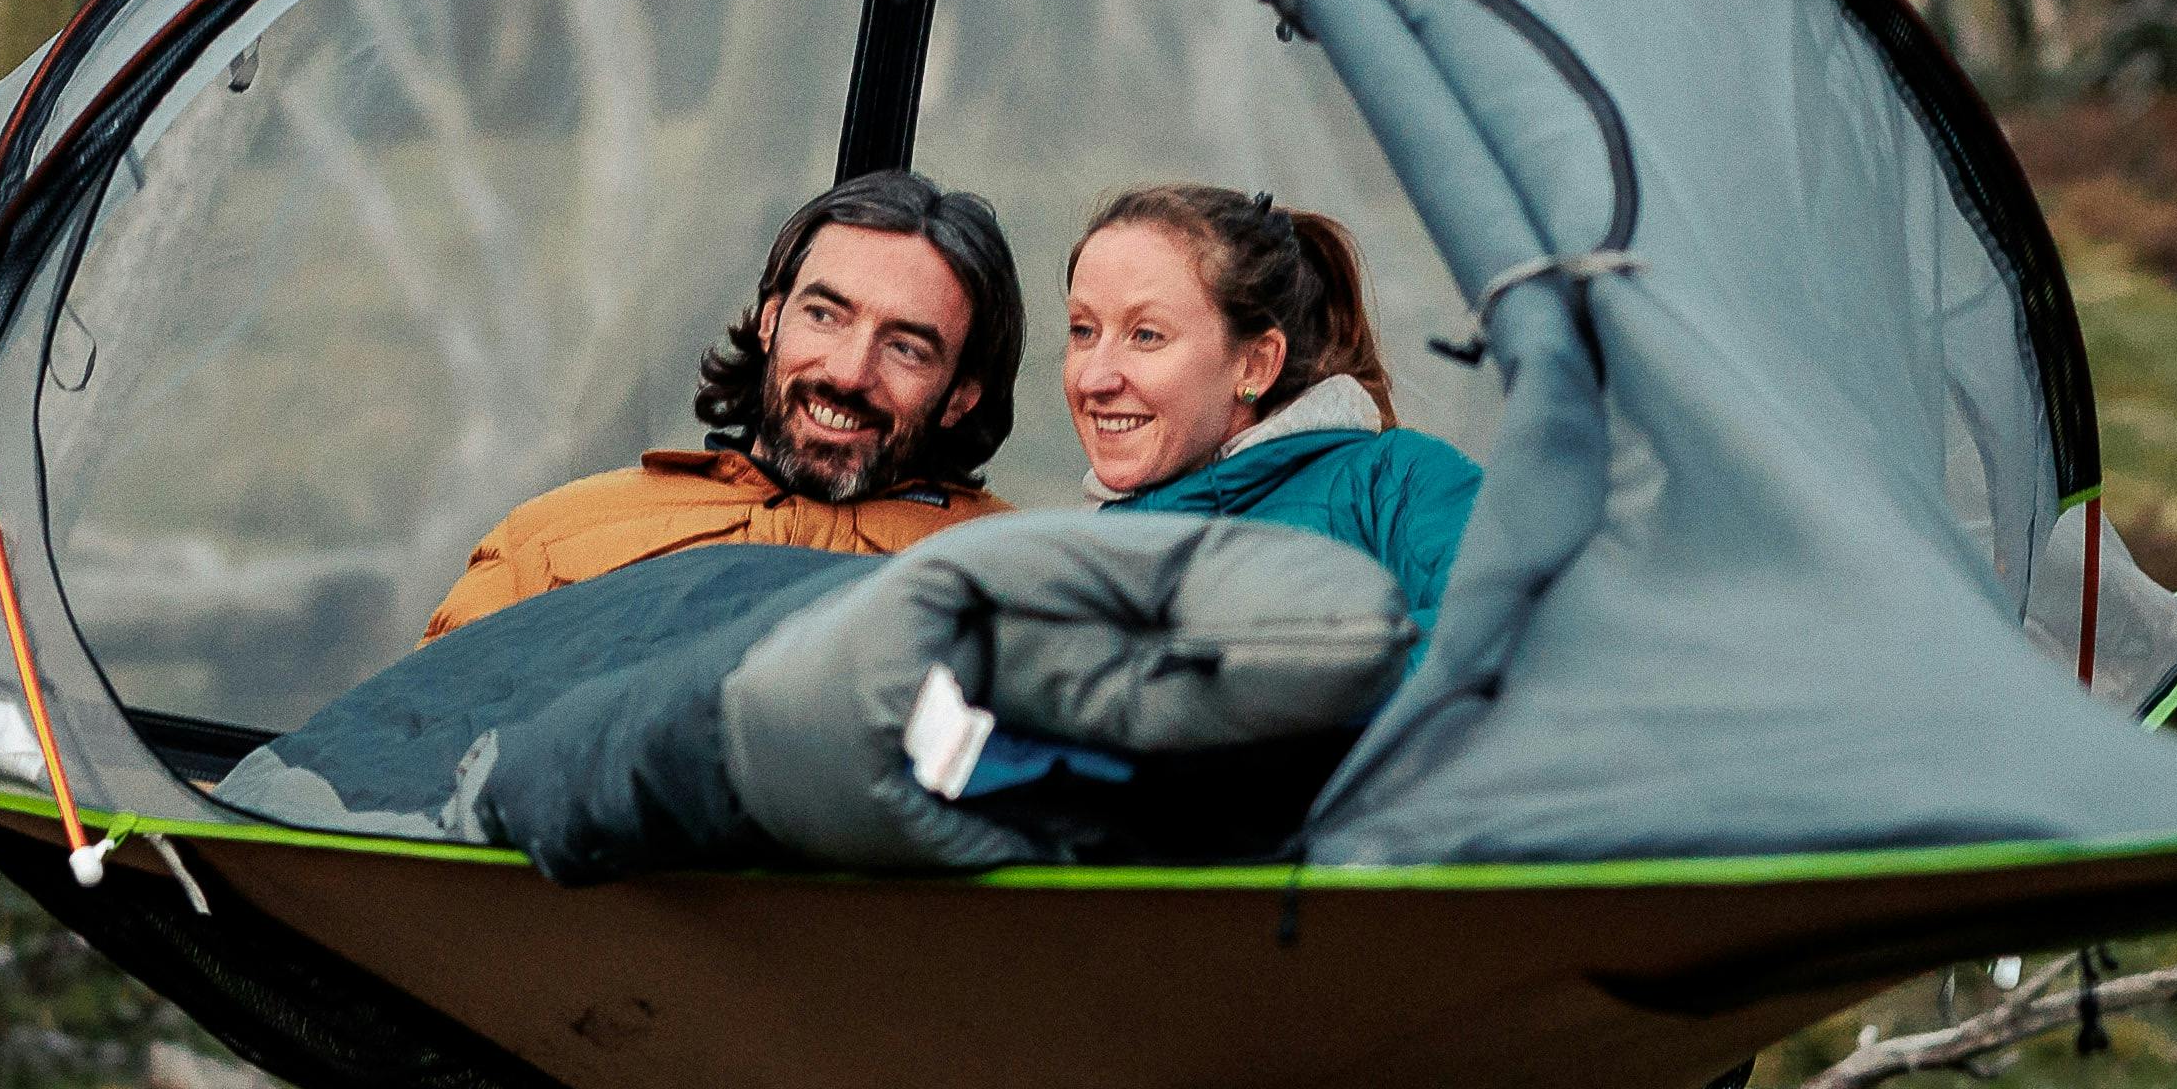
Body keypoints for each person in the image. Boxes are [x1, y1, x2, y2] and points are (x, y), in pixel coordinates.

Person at [425, 169, 1025, 635]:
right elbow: (406, 755)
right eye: (824, 315)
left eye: (905, 348)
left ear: (960, 397)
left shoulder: (1021, 578)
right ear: (770, 321)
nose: (849, 373)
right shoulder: (553, 540)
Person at [1062, 183, 1481, 619]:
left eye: (1147, 335)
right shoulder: (1066, 568)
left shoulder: (1402, 485)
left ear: (1255, 365)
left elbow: (1492, 645)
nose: (1095, 378)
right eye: (1083, 331)